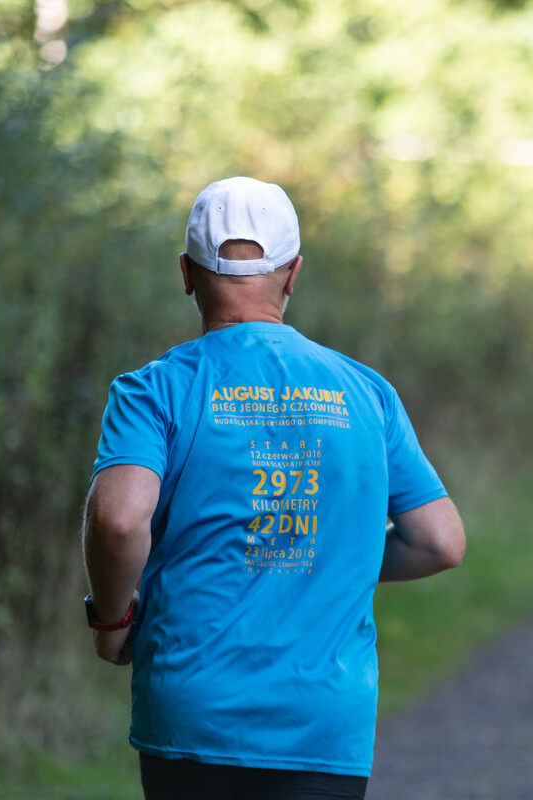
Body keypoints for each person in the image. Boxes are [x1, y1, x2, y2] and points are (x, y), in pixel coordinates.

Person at [81, 176, 466, 799]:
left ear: (186, 273)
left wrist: (112, 617)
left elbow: (120, 520)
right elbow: (441, 541)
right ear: (292, 275)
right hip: (323, 720)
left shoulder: (153, 390)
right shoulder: (368, 393)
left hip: (192, 711)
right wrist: (331, 556)